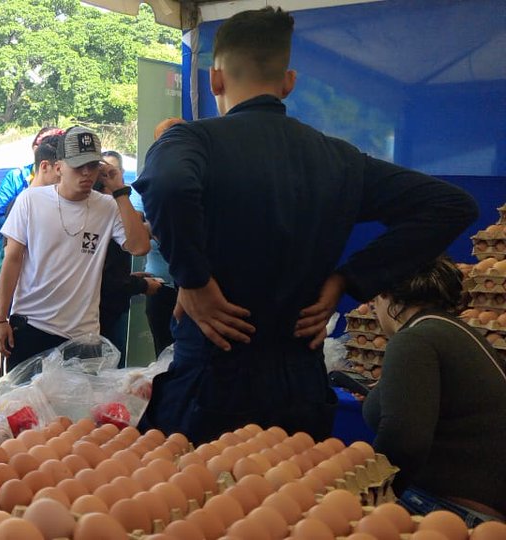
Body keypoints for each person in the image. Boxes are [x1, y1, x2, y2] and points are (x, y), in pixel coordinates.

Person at [135, 7, 478, 444]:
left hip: (212, 378)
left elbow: (166, 185)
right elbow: (451, 205)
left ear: (215, 79)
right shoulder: (338, 159)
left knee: (195, 504)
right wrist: (347, 279)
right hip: (299, 385)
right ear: (288, 83)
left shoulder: (193, 141)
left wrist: (195, 278)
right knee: (296, 506)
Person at [363, 257, 506, 524]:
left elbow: (404, 441)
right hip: (486, 508)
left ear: (384, 295)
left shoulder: (414, 340)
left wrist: (367, 493)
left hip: (456, 511)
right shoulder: (454, 330)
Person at [0, 127, 150, 372]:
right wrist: (0, 318)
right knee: (23, 408)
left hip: (83, 337)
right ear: (59, 167)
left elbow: (140, 246)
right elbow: (12, 260)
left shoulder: (108, 206)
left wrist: (120, 191)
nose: (87, 173)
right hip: (32, 327)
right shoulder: (30, 200)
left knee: (77, 411)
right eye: (78, 166)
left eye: (92, 165)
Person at [97, 150, 162, 366]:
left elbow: (138, 246)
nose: (109, 177)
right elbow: (103, 278)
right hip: (100, 311)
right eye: (104, 175)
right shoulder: (98, 213)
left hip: (113, 306)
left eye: (114, 172)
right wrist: (139, 284)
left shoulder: (117, 210)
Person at [0, 127, 64, 291]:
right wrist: (27, 218)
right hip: (12, 260)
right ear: (35, 148)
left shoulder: (63, 182)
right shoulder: (17, 177)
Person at [143, 119, 186, 357]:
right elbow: (136, 235)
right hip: (161, 286)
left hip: (200, 287)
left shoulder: (202, 174)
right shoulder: (149, 180)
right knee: (163, 356)